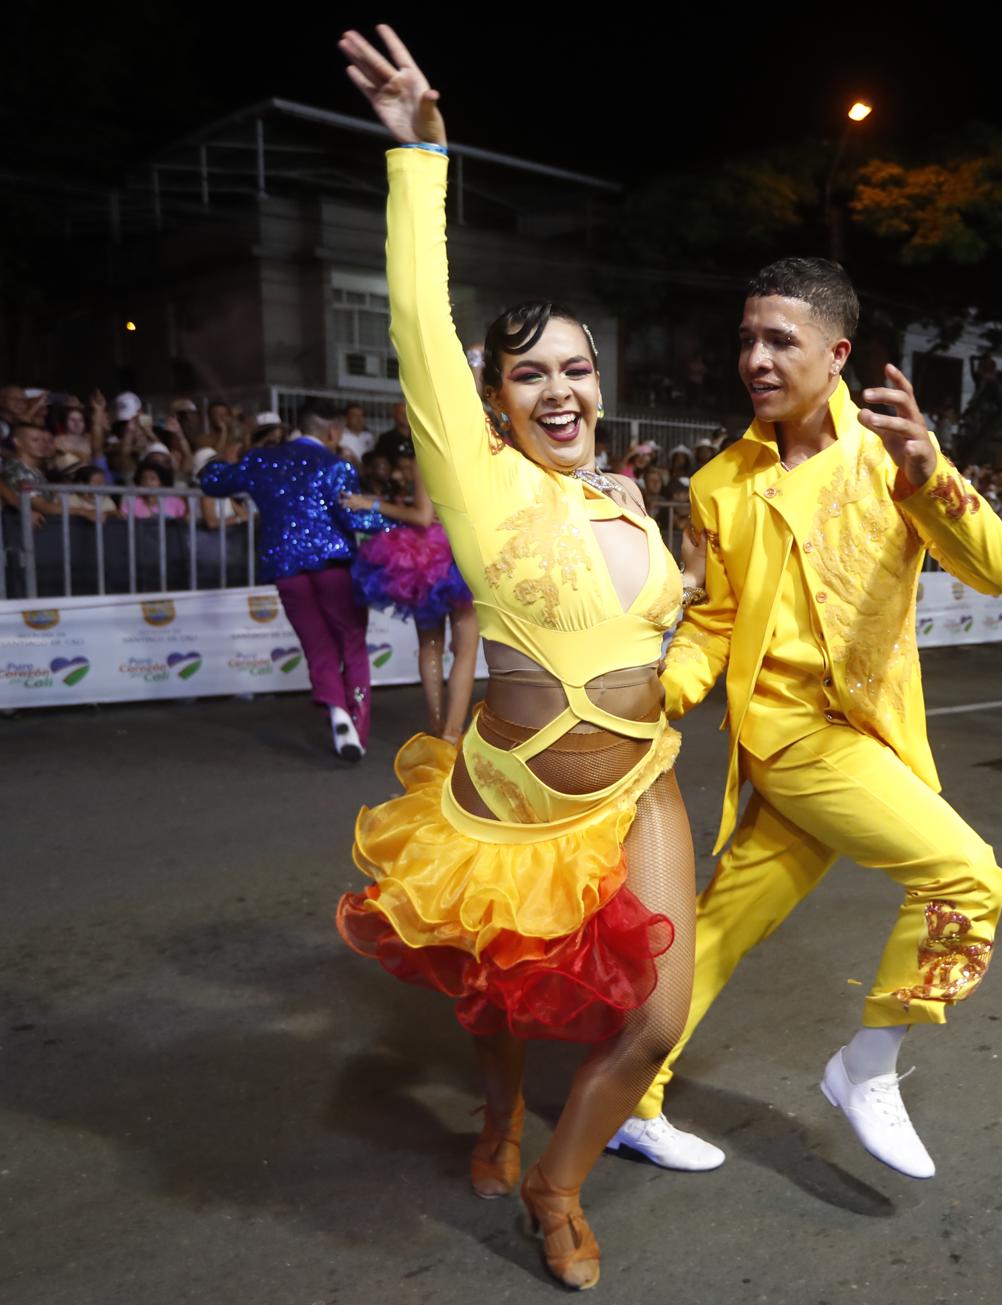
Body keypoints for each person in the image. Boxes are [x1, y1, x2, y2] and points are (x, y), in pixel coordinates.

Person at [331, 27, 700, 1291]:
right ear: (490, 397)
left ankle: (557, 1187)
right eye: (529, 373)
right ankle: (496, 1117)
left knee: (655, 1014)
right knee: (501, 1005)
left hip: (636, 781)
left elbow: (668, 625)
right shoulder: (479, 484)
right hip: (510, 797)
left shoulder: (631, 502)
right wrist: (422, 156)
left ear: (603, 384)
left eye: (576, 368)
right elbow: (419, 317)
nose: (558, 389)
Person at [606, 255, 1002, 1186]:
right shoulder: (718, 485)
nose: (756, 356)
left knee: (714, 930)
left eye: (779, 339)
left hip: (875, 732)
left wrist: (931, 469)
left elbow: (994, 570)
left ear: (836, 355)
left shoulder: (890, 458)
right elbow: (712, 618)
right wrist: (655, 693)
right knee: (966, 874)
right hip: (792, 739)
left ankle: (629, 1096)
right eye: (747, 337)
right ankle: (866, 1067)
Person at [201, 404, 382, 759]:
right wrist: (402, 526)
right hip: (334, 566)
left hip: (286, 568)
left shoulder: (262, 461)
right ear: (330, 431)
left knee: (317, 645)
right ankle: (355, 725)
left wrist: (227, 453)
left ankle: (337, 713)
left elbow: (212, 481)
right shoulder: (336, 466)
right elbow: (355, 518)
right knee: (352, 641)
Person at [344, 445, 479, 742]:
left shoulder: (429, 457)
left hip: (430, 556)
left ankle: (438, 725)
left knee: (431, 645)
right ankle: (453, 732)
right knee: (465, 650)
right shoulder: (476, 455)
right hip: (466, 551)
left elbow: (421, 515)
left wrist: (371, 504)